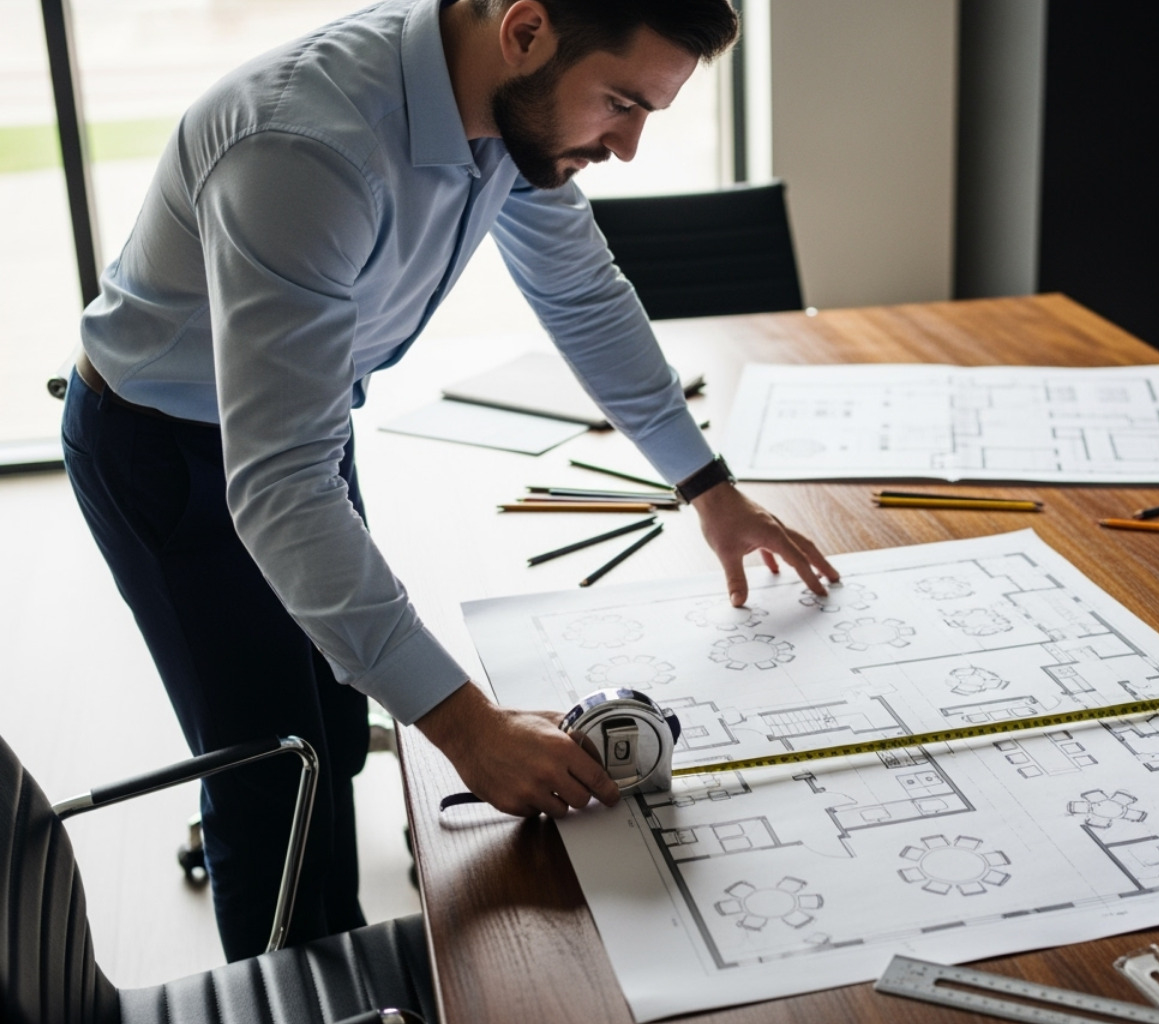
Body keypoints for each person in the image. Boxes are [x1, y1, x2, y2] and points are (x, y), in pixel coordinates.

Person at [61, 0, 839, 962]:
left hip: (294, 420)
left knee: (335, 724)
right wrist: (469, 731)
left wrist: (708, 487)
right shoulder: (305, 148)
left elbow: (582, 297)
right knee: (273, 775)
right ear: (525, 31)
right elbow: (282, 487)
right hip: (164, 448)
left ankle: (339, 930)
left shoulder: (511, 110)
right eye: (621, 103)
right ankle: (305, 993)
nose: (628, 146)